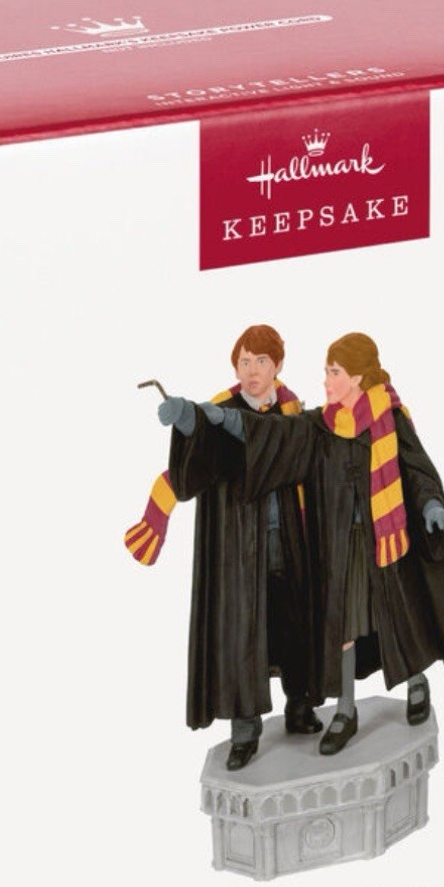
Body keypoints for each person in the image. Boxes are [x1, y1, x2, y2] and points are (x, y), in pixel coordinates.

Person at [207, 331, 444, 755]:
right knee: (345, 628)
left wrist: (431, 506)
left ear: (357, 377)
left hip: (388, 545)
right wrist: (228, 421)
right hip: (342, 546)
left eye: (334, 372)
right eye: (326, 371)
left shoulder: (390, 419)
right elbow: (278, 434)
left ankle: (417, 682)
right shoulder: (322, 425)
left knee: (397, 618)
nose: (326, 381)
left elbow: (417, 470)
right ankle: (346, 711)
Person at [151, 325, 322, 769]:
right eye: (244, 362)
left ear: (277, 365)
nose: (252, 371)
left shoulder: (292, 410)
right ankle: (245, 733)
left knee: (294, 626)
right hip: (239, 551)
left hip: (288, 540)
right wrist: (190, 425)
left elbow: (290, 444)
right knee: (241, 634)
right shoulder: (219, 413)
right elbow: (195, 473)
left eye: (261, 361)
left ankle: (300, 707)